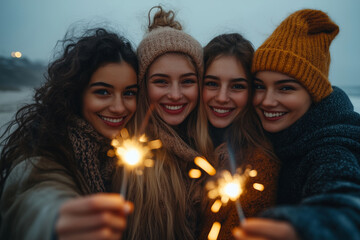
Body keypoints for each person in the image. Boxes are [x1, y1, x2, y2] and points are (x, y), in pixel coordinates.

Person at [233, 9, 360, 240]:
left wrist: (307, 228)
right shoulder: (264, 134)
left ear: (314, 94)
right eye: (260, 86)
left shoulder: (330, 146)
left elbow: (347, 201)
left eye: (286, 88)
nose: (267, 101)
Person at [0, 28, 138, 240]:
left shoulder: (131, 148)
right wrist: (55, 221)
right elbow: (35, 197)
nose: (119, 107)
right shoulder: (45, 151)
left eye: (129, 93)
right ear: (76, 94)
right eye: (103, 92)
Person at [114, 6, 213, 239]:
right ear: (142, 85)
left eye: (187, 81)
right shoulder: (124, 156)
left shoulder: (213, 144)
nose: (176, 94)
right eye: (161, 82)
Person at [199, 33, 280, 239]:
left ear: (251, 92)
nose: (222, 97)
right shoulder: (184, 145)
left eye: (237, 86)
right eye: (212, 83)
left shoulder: (257, 166)